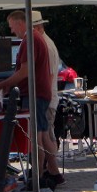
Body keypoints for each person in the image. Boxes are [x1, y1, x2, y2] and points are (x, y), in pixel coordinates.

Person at [0, 10, 63, 188]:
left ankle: (37, 178)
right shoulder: (37, 39)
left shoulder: (29, 39)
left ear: (20, 23)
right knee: (44, 135)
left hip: (36, 94)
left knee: (36, 136)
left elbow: (24, 71)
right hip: (41, 93)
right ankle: (52, 173)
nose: (11, 29)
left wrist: (2, 85)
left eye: (12, 25)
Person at [31, 11, 63, 154]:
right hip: (46, 97)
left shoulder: (46, 46)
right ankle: (49, 169)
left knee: (47, 135)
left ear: (37, 28)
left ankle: (53, 170)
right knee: (45, 135)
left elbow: (49, 75)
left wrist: (45, 99)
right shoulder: (43, 43)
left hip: (47, 99)